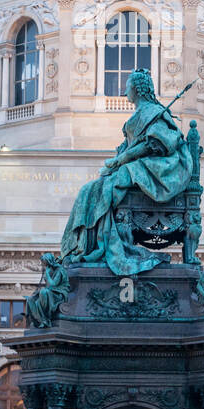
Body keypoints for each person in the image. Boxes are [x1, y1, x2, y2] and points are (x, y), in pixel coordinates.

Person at [59, 69, 189, 276]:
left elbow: (155, 144)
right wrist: (119, 158)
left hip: (158, 168)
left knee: (106, 185)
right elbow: (130, 145)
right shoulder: (142, 113)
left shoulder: (154, 112)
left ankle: (97, 247)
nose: (124, 91)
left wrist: (121, 159)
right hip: (138, 165)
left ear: (136, 88)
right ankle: (83, 247)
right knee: (89, 190)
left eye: (127, 86)